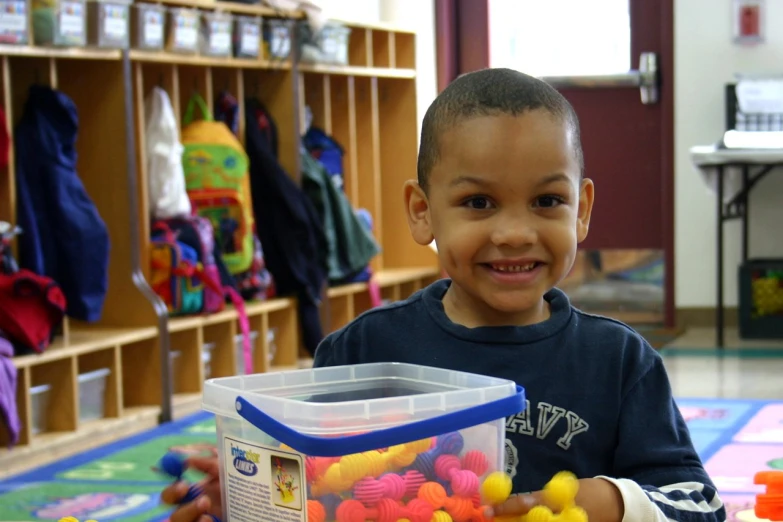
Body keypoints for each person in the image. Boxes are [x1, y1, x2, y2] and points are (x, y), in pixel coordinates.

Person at [161, 68, 725, 522]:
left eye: (547, 201)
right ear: (422, 210)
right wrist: (246, 494)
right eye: (479, 203)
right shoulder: (362, 354)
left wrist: (610, 502)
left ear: (581, 210)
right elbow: (315, 491)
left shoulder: (619, 363)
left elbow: (700, 505)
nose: (514, 232)